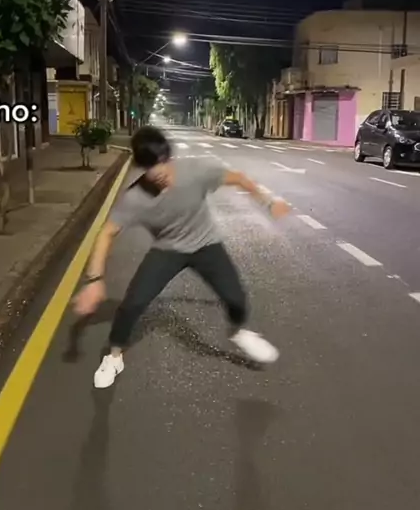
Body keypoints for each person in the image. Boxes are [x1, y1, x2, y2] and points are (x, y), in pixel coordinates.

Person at [73, 126, 291, 388]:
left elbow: (239, 179)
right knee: (132, 304)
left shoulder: (196, 171)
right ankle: (114, 356)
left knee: (236, 298)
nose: (160, 176)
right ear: (143, 169)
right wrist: (95, 279)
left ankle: (238, 331)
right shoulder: (135, 198)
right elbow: (107, 233)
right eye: (152, 171)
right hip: (167, 250)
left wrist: (269, 202)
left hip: (206, 244)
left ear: (169, 157)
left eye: (163, 167)